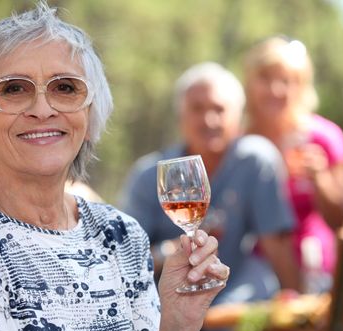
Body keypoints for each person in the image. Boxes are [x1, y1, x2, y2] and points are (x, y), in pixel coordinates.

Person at [0, 3, 230, 331]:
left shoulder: (120, 235)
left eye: (65, 88)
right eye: (13, 89)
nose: (42, 110)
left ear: (90, 116)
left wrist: (179, 326)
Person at [121, 62, 300, 308]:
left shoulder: (255, 161)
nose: (209, 120)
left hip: (234, 306)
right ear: (180, 116)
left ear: (239, 116)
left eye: (219, 109)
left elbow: (278, 245)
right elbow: (124, 260)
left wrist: (301, 311)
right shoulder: (148, 175)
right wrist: (172, 251)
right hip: (162, 311)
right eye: (197, 109)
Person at [243, 36, 343, 293]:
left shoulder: (325, 137)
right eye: (266, 78)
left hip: (315, 264)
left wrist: (320, 178)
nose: (275, 89)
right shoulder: (241, 144)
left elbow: (342, 219)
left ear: (302, 87)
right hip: (256, 268)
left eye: (286, 81)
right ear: (250, 84)